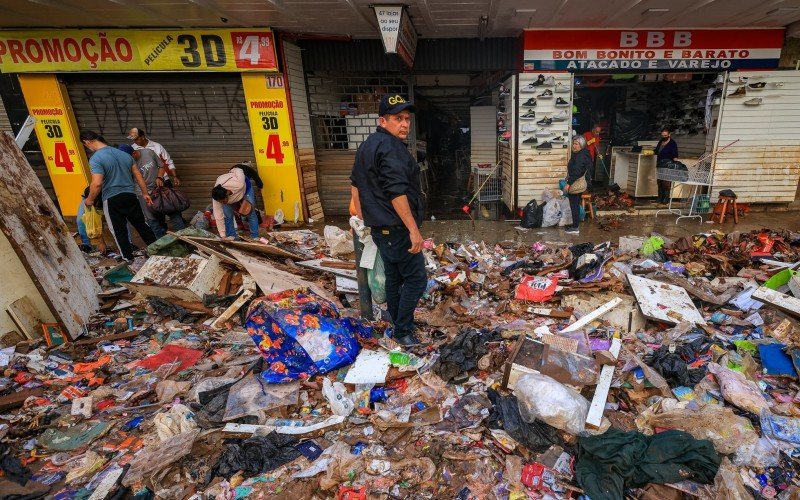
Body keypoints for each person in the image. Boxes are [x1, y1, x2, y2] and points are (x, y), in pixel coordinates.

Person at [350, 93, 426, 347]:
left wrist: (364, 219)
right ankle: (403, 330)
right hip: (397, 228)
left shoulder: (367, 145)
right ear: (383, 120)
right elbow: (396, 192)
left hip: (381, 229)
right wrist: (413, 230)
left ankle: (397, 322)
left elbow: (355, 186)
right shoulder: (391, 147)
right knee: (416, 279)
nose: (404, 124)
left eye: (407, 119)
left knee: (394, 278)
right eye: (397, 119)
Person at [80, 131, 156, 261]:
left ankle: (128, 259)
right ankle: (159, 251)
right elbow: (138, 176)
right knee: (142, 226)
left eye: (86, 145)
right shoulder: (124, 155)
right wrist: (145, 194)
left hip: (112, 199)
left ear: (87, 142)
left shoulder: (96, 158)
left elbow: (97, 183)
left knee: (119, 231)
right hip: (131, 196)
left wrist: (89, 200)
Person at [119, 144, 186, 239]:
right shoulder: (124, 163)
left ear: (134, 153)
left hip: (159, 189)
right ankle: (161, 242)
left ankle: (186, 239)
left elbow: (161, 166)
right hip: (142, 193)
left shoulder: (148, 152)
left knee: (172, 213)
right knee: (151, 219)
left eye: (128, 157)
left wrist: (159, 177)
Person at [211, 166, 260, 240]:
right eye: (220, 202)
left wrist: (233, 170)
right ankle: (231, 235)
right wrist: (223, 235)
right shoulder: (217, 197)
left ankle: (255, 236)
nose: (222, 203)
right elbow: (218, 216)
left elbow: (239, 170)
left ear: (227, 194)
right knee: (228, 215)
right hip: (228, 190)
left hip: (245, 189)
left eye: (223, 201)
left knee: (250, 212)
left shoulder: (238, 184)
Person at [564, 136, 592, 235]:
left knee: (574, 206)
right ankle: (575, 225)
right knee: (575, 205)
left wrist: (568, 183)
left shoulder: (580, 156)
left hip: (576, 183)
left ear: (581, 145)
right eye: (574, 143)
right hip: (578, 182)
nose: (574, 146)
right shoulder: (582, 154)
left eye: (576, 144)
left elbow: (577, 171)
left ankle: (575, 227)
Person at [655, 128, 679, 205]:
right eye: (662, 135)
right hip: (660, 164)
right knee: (659, 181)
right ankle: (660, 197)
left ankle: (666, 198)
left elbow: (675, 155)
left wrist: (675, 165)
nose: (664, 136)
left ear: (669, 134)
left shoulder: (672, 143)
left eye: (665, 135)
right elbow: (656, 151)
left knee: (666, 182)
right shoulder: (660, 142)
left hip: (668, 165)